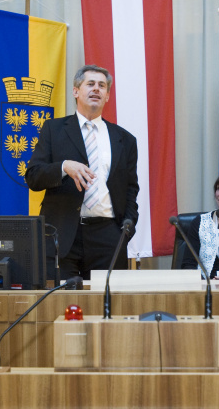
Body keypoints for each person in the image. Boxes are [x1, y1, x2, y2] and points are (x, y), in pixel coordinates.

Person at [25, 64, 139, 281]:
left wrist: (125, 230)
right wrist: (63, 167)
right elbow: (33, 176)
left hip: (108, 236)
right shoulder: (53, 129)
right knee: (60, 304)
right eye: (90, 84)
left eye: (102, 86)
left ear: (107, 96)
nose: (96, 89)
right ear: (76, 91)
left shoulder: (125, 139)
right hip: (62, 232)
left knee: (106, 307)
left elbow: (131, 189)